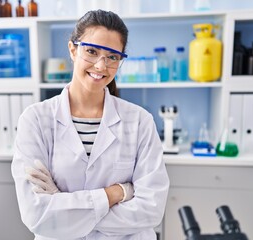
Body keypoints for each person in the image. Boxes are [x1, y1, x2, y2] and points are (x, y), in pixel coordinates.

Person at [11, 9, 169, 240]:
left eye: (113, 56)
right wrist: (116, 193)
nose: (101, 66)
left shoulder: (139, 121)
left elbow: (151, 210)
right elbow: (36, 214)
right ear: (73, 50)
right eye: (92, 51)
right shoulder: (35, 119)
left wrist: (64, 208)